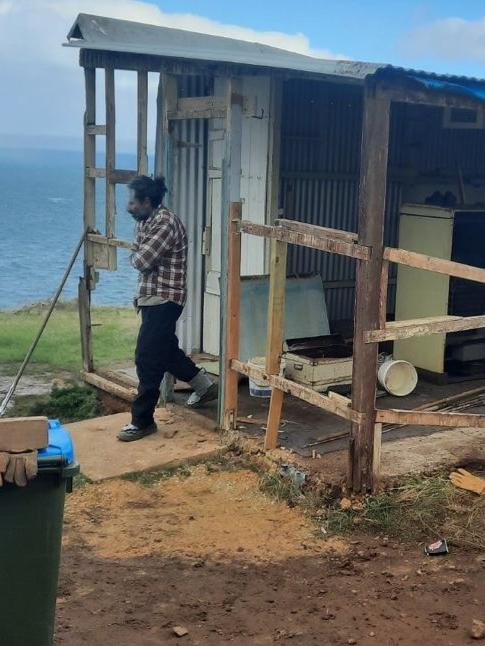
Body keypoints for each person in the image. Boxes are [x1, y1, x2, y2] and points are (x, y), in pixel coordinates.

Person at [117, 175, 217, 442]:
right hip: (150, 298)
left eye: (133, 202)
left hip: (165, 298)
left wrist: (136, 256)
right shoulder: (146, 220)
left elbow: (141, 260)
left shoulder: (164, 223)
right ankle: (202, 384)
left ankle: (142, 421)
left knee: (147, 358)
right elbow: (140, 257)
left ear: (148, 201)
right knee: (164, 349)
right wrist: (138, 257)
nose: (129, 207)